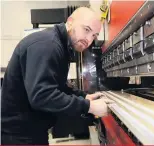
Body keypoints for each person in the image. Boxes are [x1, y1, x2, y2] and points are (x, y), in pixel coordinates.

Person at [1, 7, 113, 145]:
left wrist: (84, 97)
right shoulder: (49, 45)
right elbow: (42, 96)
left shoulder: (59, 45)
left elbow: (57, 86)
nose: (88, 39)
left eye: (94, 35)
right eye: (86, 30)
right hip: (19, 136)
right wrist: (89, 106)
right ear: (70, 22)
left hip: (30, 131)